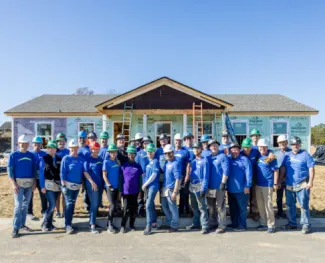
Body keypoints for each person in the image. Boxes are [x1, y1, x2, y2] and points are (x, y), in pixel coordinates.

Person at [281, 136, 315, 234]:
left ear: (300, 145)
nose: (295, 146)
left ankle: (306, 225)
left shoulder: (305, 155)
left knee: (303, 205)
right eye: (293, 144)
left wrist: (310, 182)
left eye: (297, 144)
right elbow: (283, 168)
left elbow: (311, 169)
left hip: (302, 184)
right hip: (289, 184)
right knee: (290, 205)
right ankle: (292, 224)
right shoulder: (287, 155)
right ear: (291, 145)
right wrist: (280, 179)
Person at [8, 135, 37, 238]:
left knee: (25, 206)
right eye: (22, 143)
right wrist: (13, 183)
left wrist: (34, 183)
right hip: (18, 184)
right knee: (18, 206)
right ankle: (15, 228)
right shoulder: (13, 155)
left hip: (29, 184)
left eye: (25, 143)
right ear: (18, 143)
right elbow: (10, 170)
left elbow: (34, 170)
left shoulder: (31, 156)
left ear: (28, 144)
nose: (24, 145)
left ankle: (22, 224)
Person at [60, 139, 85, 234]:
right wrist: (63, 185)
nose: (73, 150)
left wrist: (82, 184)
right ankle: (68, 225)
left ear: (78, 148)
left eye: (75, 148)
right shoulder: (66, 159)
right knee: (69, 204)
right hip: (68, 185)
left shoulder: (80, 159)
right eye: (72, 148)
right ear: (69, 148)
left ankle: (69, 221)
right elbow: (62, 173)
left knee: (72, 204)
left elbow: (82, 172)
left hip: (77, 186)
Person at [255, 139, 279, 233]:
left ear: (267, 147)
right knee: (260, 205)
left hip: (268, 184)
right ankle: (263, 223)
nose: (262, 149)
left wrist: (275, 183)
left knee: (268, 205)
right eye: (261, 147)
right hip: (258, 184)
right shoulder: (258, 155)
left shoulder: (271, 157)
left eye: (264, 147)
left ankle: (271, 225)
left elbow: (276, 171)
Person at [227, 143, 252, 231]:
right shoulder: (228, 159)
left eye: (236, 149)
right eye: (232, 149)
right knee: (232, 207)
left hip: (242, 189)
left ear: (239, 150)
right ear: (230, 151)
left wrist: (247, 186)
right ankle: (234, 223)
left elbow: (248, 174)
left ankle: (242, 225)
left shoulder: (244, 160)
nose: (234, 151)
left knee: (242, 208)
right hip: (230, 189)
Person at [206, 139, 229, 234]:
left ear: (218, 146)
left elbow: (226, 171)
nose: (213, 147)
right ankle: (213, 223)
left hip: (219, 186)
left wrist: (223, 183)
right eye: (211, 146)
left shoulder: (222, 156)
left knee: (220, 207)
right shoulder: (208, 158)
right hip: (210, 187)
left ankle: (222, 225)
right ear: (209, 148)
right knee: (211, 207)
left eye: (215, 145)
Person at [186, 142, 210, 234]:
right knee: (194, 206)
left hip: (200, 185)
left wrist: (203, 188)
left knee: (202, 207)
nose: (195, 150)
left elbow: (205, 176)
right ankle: (196, 224)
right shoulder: (193, 161)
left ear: (201, 149)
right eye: (194, 149)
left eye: (197, 148)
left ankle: (205, 226)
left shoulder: (205, 161)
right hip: (192, 185)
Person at [39, 140, 62, 232]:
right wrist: (42, 186)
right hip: (48, 184)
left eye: (53, 148)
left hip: (57, 185)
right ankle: (44, 223)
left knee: (52, 205)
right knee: (52, 204)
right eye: (49, 148)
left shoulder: (60, 159)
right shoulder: (44, 158)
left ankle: (50, 224)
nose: (52, 150)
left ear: (56, 149)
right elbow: (41, 173)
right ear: (47, 149)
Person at [120, 145, 143, 233]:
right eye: (130, 154)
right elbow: (121, 179)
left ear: (135, 155)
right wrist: (120, 191)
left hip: (135, 191)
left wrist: (140, 191)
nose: (131, 156)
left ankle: (131, 225)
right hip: (125, 192)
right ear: (127, 154)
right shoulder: (123, 166)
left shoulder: (138, 166)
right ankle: (123, 226)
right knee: (125, 209)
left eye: (133, 154)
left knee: (133, 209)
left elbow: (140, 180)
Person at [84, 142, 104, 234]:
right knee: (94, 204)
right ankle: (92, 225)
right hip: (92, 185)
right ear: (91, 149)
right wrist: (92, 182)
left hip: (100, 185)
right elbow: (85, 172)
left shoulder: (100, 159)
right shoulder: (88, 160)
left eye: (97, 149)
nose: (96, 150)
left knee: (97, 203)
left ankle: (93, 222)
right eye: (94, 149)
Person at [161, 144, 182, 233]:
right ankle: (170, 223)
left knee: (173, 208)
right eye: (166, 153)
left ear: (173, 153)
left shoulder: (176, 163)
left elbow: (178, 179)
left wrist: (175, 192)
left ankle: (174, 225)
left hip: (171, 189)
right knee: (164, 206)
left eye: (169, 153)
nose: (167, 155)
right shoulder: (166, 163)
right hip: (165, 188)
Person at [28, 136, 47, 220]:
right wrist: (33, 180)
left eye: (39, 144)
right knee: (30, 195)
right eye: (35, 143)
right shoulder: (30, 154)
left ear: (41, 144)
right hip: (31, 178)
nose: (37, 145)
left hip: (42, 178)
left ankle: (44, 212)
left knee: (43, 195)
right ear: (32, 144)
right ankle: (29, 212)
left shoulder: (44, 154)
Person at [142, 143, 160, 235]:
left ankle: (148, 226)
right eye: (148, 152)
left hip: (153, 186)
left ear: (154, 152)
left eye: (151, 152)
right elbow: (145, 174)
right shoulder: (147, 161)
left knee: (148, 205)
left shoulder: (155, 161)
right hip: (148, 186)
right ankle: (154, 221)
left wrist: (145, 184)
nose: (150, 153)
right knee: (151, 204)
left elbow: (154, 175)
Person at [240, 138, 260, 221]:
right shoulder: (240, 153)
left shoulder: (255, 151)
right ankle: (246, 212)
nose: (246, 149)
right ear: (242, 147)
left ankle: (255, 212)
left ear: (251, 147)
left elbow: (265, 153)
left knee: (254, 196)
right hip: (243, 179)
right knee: (245, 196)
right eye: (244, 147)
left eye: (248, 147)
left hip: (254, 177)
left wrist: (271, 153)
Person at [103, 144, 121, 234]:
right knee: (112, 205)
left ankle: (109, 224)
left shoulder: (117, 162)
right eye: (111, 152)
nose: (113, 153)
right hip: (110, 187)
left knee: (114, 206)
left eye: (114, 151)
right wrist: (109, 185)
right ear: (109, 153)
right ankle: (109, 225)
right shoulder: (106, 162)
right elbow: (104, 176)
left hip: (117, 187)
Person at [173, 133, 191, 216]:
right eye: (176, 140)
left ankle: (182, 211)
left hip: (183, 176)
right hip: (173, 177)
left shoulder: (185, 151)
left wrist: (187, 175)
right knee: (173, 193)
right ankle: (174, 212)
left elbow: (188, 164)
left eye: (179, 140)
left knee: (184, 194)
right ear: (174, 141)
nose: (178, 142)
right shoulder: (171, 150)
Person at [274, 134, 291, 219]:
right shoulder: (275, 154)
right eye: (280, 143)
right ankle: (280, 212)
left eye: (284, 142)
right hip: (279, 180)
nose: (282, 144)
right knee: (279, 197)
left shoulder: (292, 152)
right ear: (278, 144)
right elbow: (267, 162)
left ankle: (290, 213)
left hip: (290, 180)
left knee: (290, 198)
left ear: (287, 142)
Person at [135, 136, 152, 217]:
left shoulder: (152, 153)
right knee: (140, 195)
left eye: (148, 142)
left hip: (149, 178)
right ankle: (140, 211)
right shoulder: (139, 153)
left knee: (148, 196)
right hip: (141, 178)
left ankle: (148, 212)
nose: (146, 144)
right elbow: (136, 165)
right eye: (144, 143)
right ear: (142, 144)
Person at [55, 132, 69, 218]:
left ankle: (64, 211)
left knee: (65, 195)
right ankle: (57, 212)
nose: (61, 142)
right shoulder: (55, 151)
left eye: (62, 141)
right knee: (57, 195)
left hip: (66, 178)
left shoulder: (68, 152)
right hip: (56, 177)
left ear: (65, 141)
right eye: (59, 141)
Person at [78, 130, 91, 212]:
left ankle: (88, 205)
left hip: (87, 173)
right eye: (80, 138)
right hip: (78, 173)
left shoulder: (89, 149)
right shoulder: (76, 148)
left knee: (87, 190)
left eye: (83, 138)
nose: (82, 139)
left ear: (86, 139)